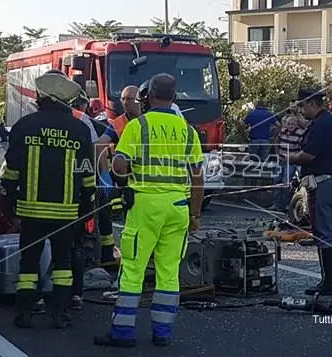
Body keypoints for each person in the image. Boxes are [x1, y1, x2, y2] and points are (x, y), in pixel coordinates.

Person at [93, 73, 204, 348]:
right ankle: (162, 334)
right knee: (168, 272)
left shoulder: (138, 126)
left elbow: (119, 166)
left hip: (145, 207)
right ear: (175, 98)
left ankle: (122, 333)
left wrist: (122, 174)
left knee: (133, 270)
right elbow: (198, 178)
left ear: (147, 96)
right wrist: (195, 215)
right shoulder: (188, 130)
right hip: (178, 208)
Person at [1, 70, 96, 329]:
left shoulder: (24, 126)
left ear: (43, 98)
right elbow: (87, 172)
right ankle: (60, 313)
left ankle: (24, 312)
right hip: (66, 213)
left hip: (30, 211)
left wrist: (7, 199)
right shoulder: (79, 129)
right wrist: (88, 205)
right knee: (63, 263)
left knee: (29, 262)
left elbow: (11, 169)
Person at [287, 89, 332, 297]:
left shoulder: (320, 125)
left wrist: (290, 157)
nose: (301, 110)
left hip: (324, 183)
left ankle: (328, 281)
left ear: (312, 103)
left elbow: (309, 155)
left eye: (303, 106)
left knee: (324, 234)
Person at [95, 85, 142, 264]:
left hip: (141, 176)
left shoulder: (146, 121)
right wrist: (105, 175)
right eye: (122, 99)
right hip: (120, 175)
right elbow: (100, 144)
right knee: (107, 206)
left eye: (128, 99)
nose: (124, 103)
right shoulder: (117, 123)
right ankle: (110, 251)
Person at [269, 106, 307, 212]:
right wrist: (277, 154)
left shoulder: (300, 133)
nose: (290, 126)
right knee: (277, 181)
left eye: (292, 124)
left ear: (296, 125)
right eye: (289, 124)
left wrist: (295, 158)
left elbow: (302, 147)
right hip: (281, 159)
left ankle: (284, 205)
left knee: (286, 182)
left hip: (291, 161)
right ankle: (276, 204)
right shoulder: (283, 131)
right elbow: (277, 142)